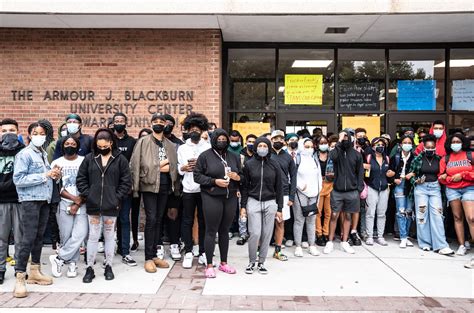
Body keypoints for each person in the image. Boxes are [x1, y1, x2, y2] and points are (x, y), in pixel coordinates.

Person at [76, 128, 132, 283]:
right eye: (99, 146)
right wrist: (89, 195)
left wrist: (116, 197)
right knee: (93, 236)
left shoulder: (120, 159)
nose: (102, 149)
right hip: (93, 205)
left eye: (104, 146)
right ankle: (90, 268)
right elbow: (81, 179)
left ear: (111, 143)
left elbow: (126, 181)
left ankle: (108, 265)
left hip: (111, 205)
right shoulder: (89, 158)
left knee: (109, 236)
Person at [12, 122, 61, 298]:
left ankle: (35, 271)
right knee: (28, 238)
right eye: (35, 132)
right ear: (29, 135)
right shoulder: (24, 154)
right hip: (30, 201)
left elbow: (45, 177)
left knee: (39, 237)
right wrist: (44, 175)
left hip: (44, 200)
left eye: (42, 133)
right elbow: (18, 179)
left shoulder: (42, 154)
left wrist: (54, 175)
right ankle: (19, 276)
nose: (39, 135)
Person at [130, 114, 180, 273]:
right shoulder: (143, 142)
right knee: (151, 219)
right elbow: (137, 164)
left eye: (161, 122)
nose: (158, 124)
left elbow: (173, 166)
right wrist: (160, 165)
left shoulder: (170, 145)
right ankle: (148, 258)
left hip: (166, 186)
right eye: (155, 122)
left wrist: (159, 166)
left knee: (159, 219)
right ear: (151, 124)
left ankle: (155, 255)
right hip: (149, 186)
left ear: (165, 125)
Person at [194, 128, 242, 278]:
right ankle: (209, 264)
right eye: (218, 139)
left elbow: (242, 176)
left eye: (224, 139)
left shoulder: (234, 157)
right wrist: (214, 181)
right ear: (213, 139)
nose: (222, 141)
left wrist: (236, 177)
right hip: (212, 196)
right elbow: (197, 176)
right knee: (211, 230)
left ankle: (224, 263)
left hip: (230, 197)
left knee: (224, 231)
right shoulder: (205, 156)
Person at [241, 137, 283, 274]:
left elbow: (279, 187)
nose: (263, 148)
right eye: (260, 145)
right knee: (255, 233)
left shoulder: (275, 164)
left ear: (269, 147)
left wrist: (280, 208)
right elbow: (245, 187)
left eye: (265, 145)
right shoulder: (249, 164)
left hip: (270, 202)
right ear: (256, 147)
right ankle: (252, 261)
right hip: (253, 202)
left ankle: (261, 262)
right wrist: (243, 206)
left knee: (266, 234)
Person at [49, 136, 87, 278]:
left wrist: (78, 202)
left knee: (80, 234)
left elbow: (89, 184)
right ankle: (72, 264)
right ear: (62, 145)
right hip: (64, 203)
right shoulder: (56, 162)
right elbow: (56, 186)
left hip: (82, 203)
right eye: (67, 143)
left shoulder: (84, 161)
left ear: (78, 146)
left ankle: (59, 258)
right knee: (66, 236)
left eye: (73, 143)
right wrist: (73, 199)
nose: (70, 145)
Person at [408, 135, 454, 255]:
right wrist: (416, 181)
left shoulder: (440, 159)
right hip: (421, 189)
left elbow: (444, 173)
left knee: (437, 215)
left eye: (432, 147)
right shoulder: (417, 159)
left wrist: (443, 177)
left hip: (435, 188)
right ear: (423, 147)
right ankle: (425, 243)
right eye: (427, 147)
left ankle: (441, 245)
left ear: (435, 147)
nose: (429, 149)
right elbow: (411, 175)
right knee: (422, 215)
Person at [177, 113, 210, 268]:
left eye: (198, 129)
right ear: (188, 130)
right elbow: (179, 167)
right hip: (189, 188)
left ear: (202, 129)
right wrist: (183, 168)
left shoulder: (207, 146)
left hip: (203, 189)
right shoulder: (182, 148)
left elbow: (212, 167)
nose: (195, 132)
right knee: (187, 220)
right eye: (192, 129)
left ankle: (203, 252)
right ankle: (189, 252)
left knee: (203, 220)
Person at [324, 129, 364, 255]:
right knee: (334, 215)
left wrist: (358, 189)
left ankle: (345, 241)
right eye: (344, 136)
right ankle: (329, 242)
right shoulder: (337, 152)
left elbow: (360, 173)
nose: (346, 138)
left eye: (348, 137)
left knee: (347, 216)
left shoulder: (356, 154)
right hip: (337, 190)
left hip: (352, 191)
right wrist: (339, 141)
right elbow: (332, 156)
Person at [438, 133, 474, 256]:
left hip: (469, 188)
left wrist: (463, 175)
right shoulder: (445, 159)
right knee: (457, 217)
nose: (455, 144)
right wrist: (450, 179)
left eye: (458, 141)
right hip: (452, 190)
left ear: (463, 142)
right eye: (453, 142)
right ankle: (462, 245)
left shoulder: (471, 155)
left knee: (471, 218)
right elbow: (441, 178)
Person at [0, 119, 25, 285]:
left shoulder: (24, 152)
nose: (8, 133)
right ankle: (1, 270)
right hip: (1, 201)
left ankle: (20, 270)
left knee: (20, 238)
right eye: (4, 131)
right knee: (1, 238)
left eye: (11, 130)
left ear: (18, 132)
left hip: (20, 200)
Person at [112, 113, 137, 266]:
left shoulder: (132, 142)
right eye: (116, 121)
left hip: (125, 185)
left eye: (121, 121)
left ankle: (125, 250)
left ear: (126, 123)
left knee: (124, 219)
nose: (119, 123)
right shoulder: (109, 139)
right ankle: (109, 248)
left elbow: (134, 164)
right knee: (109, 220)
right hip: (109, 186)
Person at [269, 130, 296, 261]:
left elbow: (294, 177)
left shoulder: (288, 157)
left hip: (284, 194)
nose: (278, 140)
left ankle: (277, 251)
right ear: (271, 140)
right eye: (275, 138)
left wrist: (291, 197)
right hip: (268, 194)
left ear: (284, 141)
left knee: (280, 223)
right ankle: (258, 251)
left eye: (280, 138)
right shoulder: (266, 155)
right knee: (264, 225)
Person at [293, 138, 322, 257]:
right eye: (306, 146)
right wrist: (300, 185)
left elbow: (319, 176)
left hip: (314, 194)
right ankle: (298, 246)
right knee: (299, 220)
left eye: (311, 146)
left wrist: (318, 191)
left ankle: (312, 245)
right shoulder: (297, 159)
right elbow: (292, 175)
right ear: (301, 146)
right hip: (300, 194)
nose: (309, 149)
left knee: (311, 221)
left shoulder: (314, 159)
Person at [162, 114, 184, 262]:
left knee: (173, 214)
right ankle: (157, 246)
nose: (167, 125)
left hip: (174, 184)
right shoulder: (153, 141)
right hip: (157, 184)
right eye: (165, 122)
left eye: (170, 123)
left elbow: (178, 165)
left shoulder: (179, 144)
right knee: (156, 216)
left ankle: (174, 244)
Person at [388, 135, 416, 248]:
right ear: (400, 145)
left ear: (412, 145)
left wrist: (413, 174)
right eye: (405, 142)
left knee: (409, 212)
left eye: (409, 142)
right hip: (399, 186)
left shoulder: (415, 158)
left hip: (410, 186)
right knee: (401, 211)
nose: (407, 144)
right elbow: (388, 172)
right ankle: (403, 237)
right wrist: (394, 180)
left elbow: (419, 171)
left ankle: (406, 235)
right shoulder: (395, 157)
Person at [364, 138, 392, 246]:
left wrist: (390, 174)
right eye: (377, 144)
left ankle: (380, 236)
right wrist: (364, 166)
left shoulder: (387, 159)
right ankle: (369, 236)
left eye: (382, 144)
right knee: (370, 213)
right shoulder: (369, 157)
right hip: (372, 187)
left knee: (381, 213)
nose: (380, 146)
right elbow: (361, 169)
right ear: (372, 146)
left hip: (384, 188)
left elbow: (390, 173)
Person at [130, 128, 153, 253]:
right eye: (141, 136)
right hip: (137, 185)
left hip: (149, 184)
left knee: (151, 214)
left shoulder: (153, 150)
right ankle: (134, 239)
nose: (143, 138)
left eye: (146, 136)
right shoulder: (136, 148)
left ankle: (151, 242)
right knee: (135, 213)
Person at [236, 134, 257, 246]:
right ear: (245, 142)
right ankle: (243, 234)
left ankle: (253, 234)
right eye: (249, 141)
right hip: (243, 188)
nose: (251, 143)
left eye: (254, 142)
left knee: (253, 213)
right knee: (242, 212)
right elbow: (238, 173)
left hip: (255, 189)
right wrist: (237, 188)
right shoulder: (240, 156)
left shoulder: (258, 155)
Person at [315, 135, 334, 246]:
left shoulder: (332, 155)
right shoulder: (314, 156)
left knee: (328, 212)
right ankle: (319, 234)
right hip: (318, 185)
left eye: (325, 142)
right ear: (317, 145)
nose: (323, 145)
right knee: (318, 212)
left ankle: (326, 232)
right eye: (321, 143)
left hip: (330, 184)